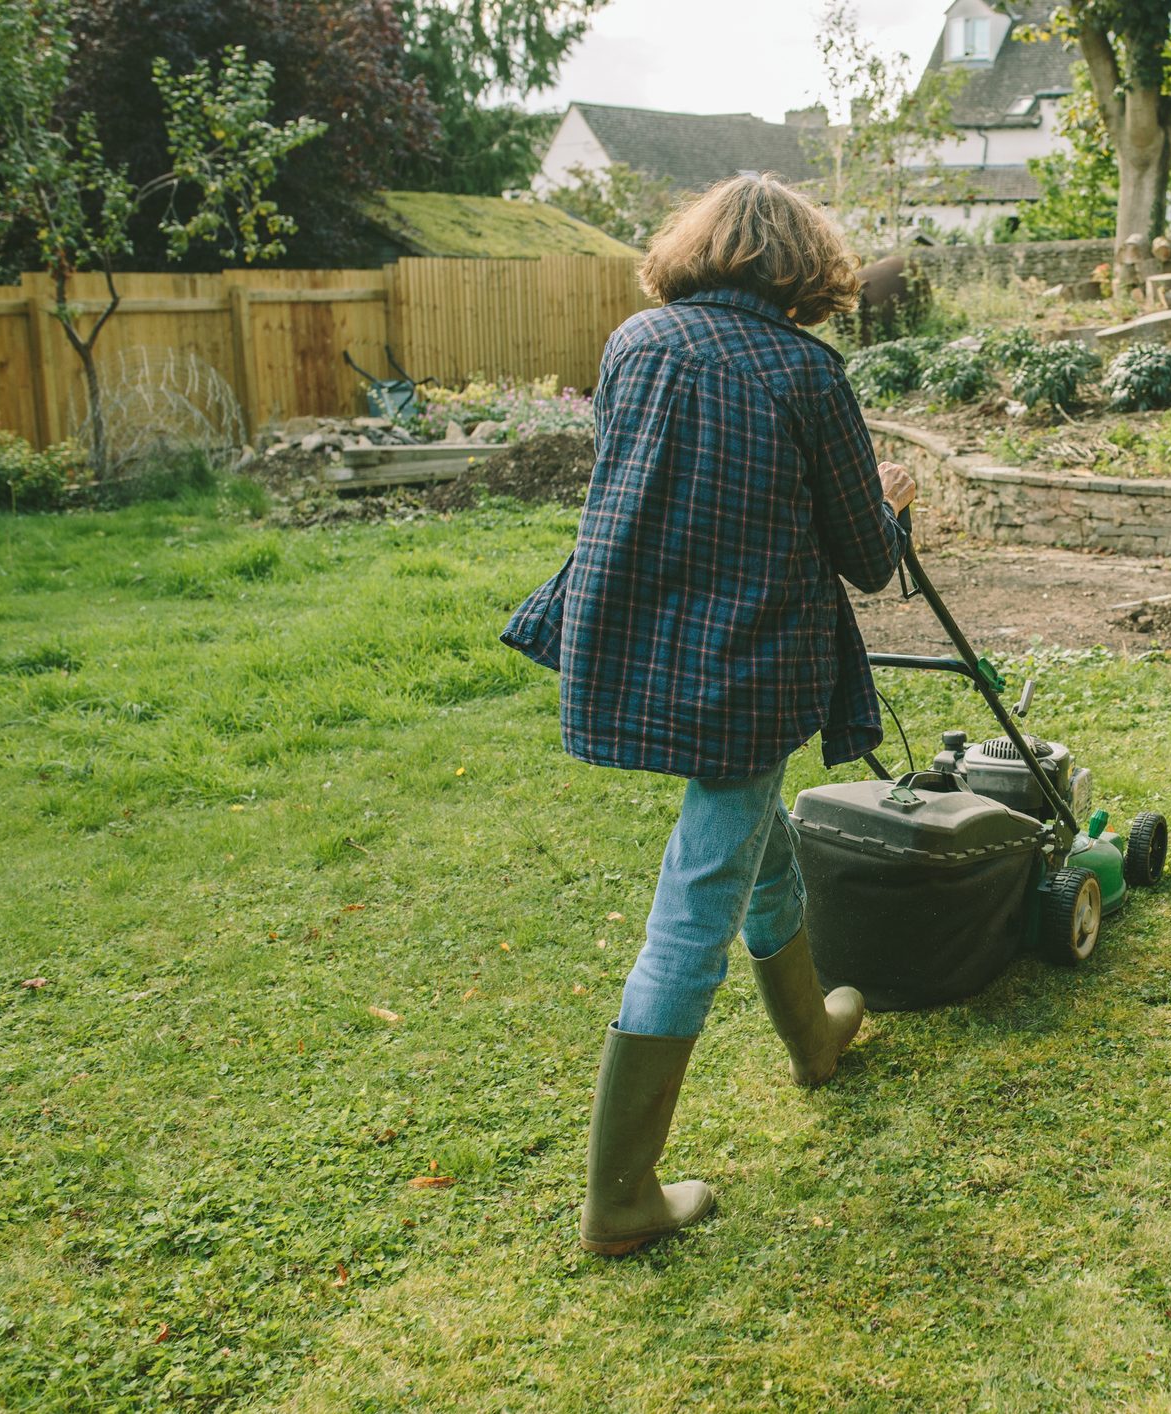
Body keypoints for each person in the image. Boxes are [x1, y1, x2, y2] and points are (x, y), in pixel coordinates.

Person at [502, 172, 916, 1256]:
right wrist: (889, 502)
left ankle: (814, 1038)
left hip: (640, 642)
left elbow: (664, 485)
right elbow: (867, 561)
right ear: (804, 271)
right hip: (745, 668)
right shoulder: (805, 373)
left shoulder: (637, 343)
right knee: (694, 906)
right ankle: (622, 1199)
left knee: (750, 840)